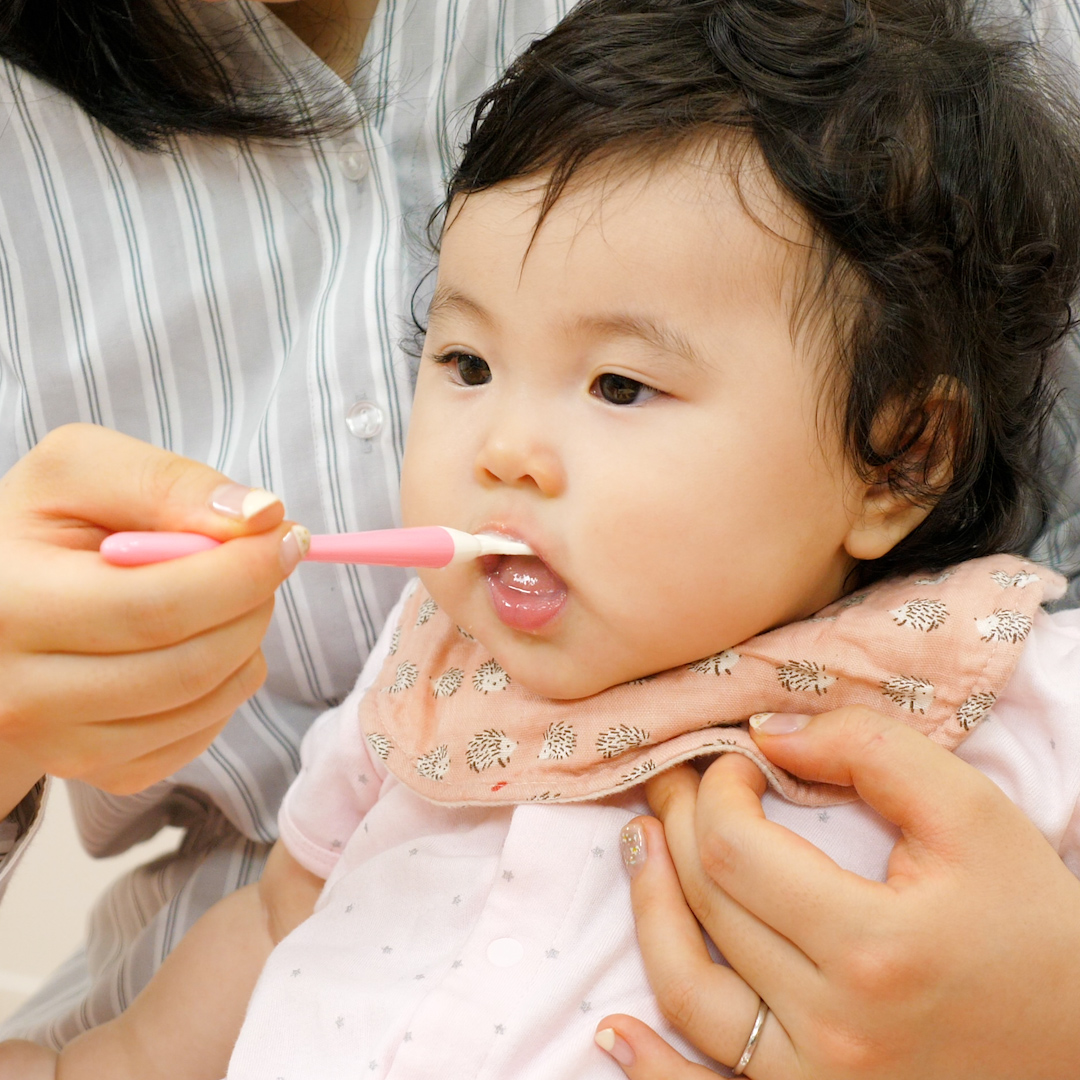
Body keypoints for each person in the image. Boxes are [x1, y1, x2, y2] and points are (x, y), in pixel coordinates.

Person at [3, 0, 1080, 1075]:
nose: (503, 450)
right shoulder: (426, 667)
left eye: (620, 384)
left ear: (901, 458)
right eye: (464, 364)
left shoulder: (990, 686)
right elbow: (281, 920)